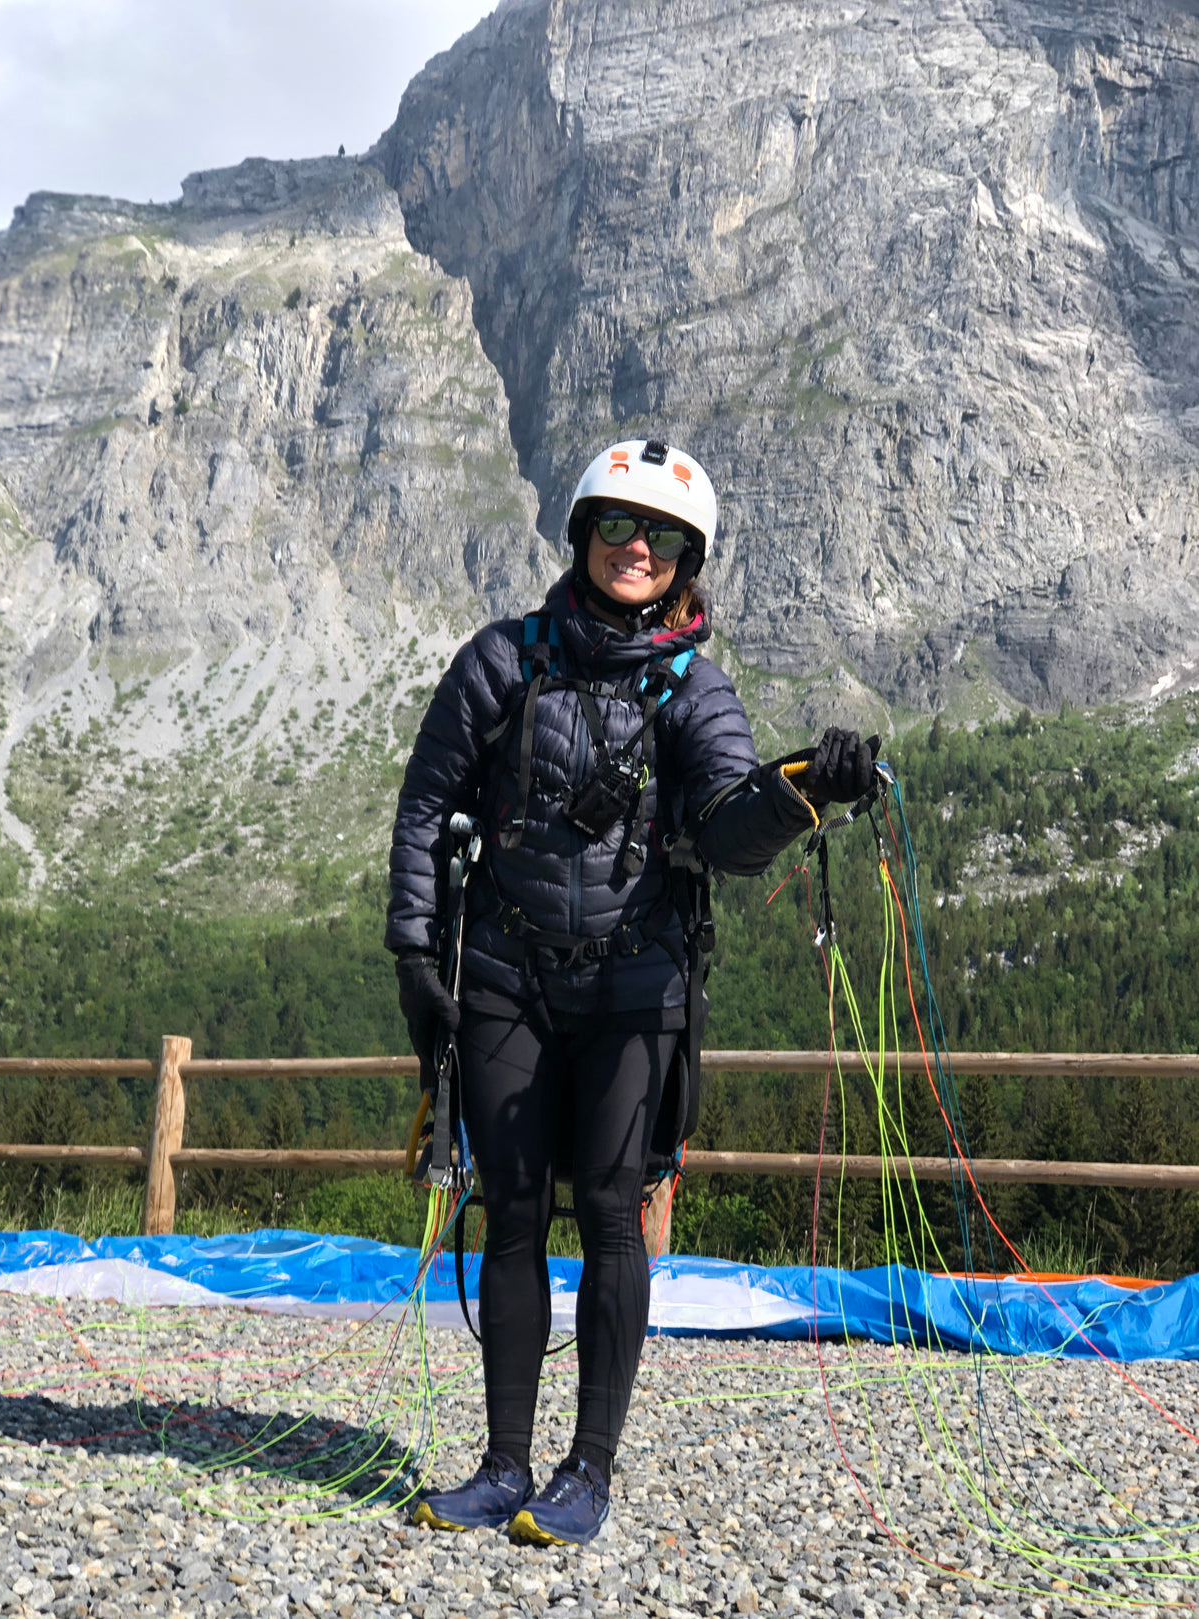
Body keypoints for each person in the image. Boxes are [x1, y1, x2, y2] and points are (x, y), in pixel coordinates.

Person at [386, 437, 878, 1546]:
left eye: (660, 536)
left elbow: (728, 827)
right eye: (617, 525)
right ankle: (503, 1463)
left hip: (635, 988)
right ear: (581, 535)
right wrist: (415, 955)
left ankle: (587, 1473)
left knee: (612, 1211)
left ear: (686, 560)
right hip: (505, 977)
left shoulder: (695, 689)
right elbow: (423, 808)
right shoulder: (500, 661)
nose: (635, 549)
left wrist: (805, 789)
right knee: (510, 1208)